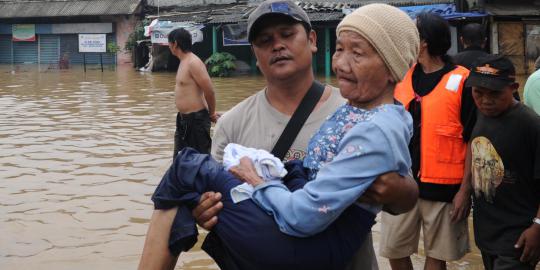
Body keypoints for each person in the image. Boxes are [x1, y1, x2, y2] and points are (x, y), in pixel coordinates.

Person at [138, 1, 420, 269]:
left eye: (287, 34)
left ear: (311, 40)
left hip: (336, 256)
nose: (277, 45)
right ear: (255, 54)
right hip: (275, 247)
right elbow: (216, 204)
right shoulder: (231, 124)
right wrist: (204, 211)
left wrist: (404, 191)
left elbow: (400, 190)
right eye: (264, 41)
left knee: (185, 168)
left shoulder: (355, 110)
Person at [381, 12, 476, 270]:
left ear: (423, 41)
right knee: (393, 248)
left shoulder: (463, 80)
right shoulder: (402, 75)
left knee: (437, 255)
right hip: (400, 182)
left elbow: (472, 141)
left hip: (444, 188)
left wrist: (465, 191)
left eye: (412, 32)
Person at [466, 54, 540, 270]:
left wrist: (537, 226)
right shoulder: (482, 114)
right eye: (478, 93)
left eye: (495, 94)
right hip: (486, 230)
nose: (486, 100)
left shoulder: (530, 125)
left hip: (518, 235)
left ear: (514, 87)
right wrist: (464, 190)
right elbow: (474, 146)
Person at [168, 28, 218, 159]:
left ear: (175, 44)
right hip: (183, 121)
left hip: (197, 121)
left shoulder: (193, 62)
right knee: (179, 162)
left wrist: (212, 113)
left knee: (200, 163)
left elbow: (210, 91)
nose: (169, 47)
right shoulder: (183, 62)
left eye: (169, 44)